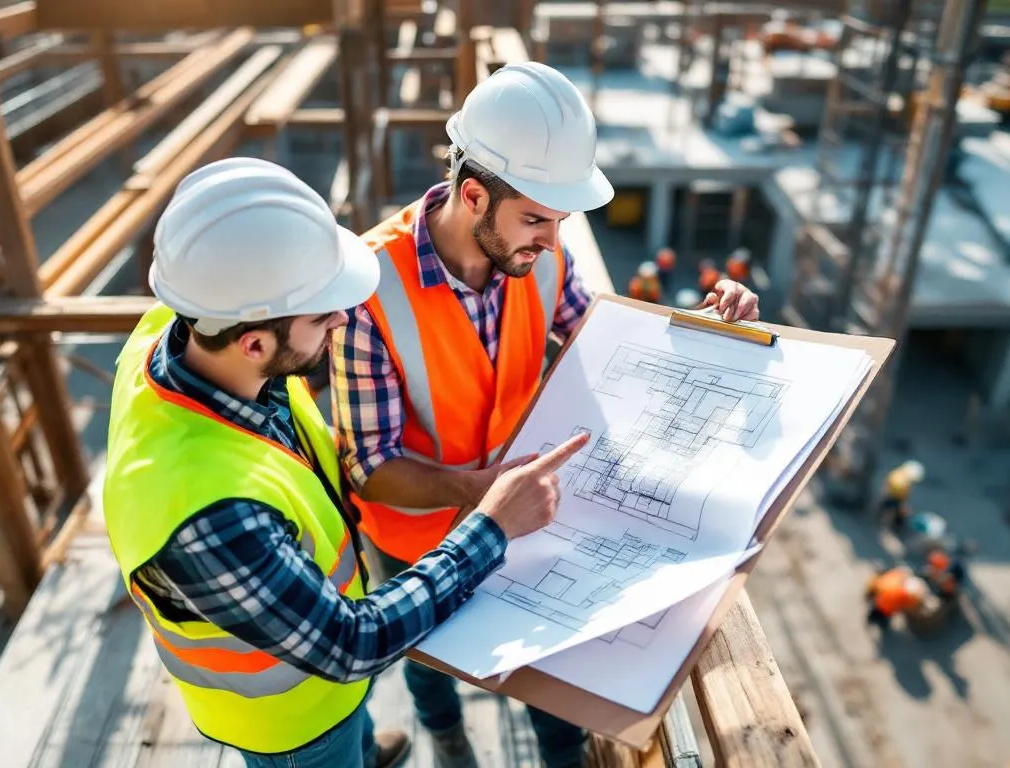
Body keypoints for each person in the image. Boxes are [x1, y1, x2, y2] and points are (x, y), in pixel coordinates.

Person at [328, 61, 760, 768]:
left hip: (529, 516)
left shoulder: (541, 257)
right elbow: (370, 468)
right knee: (429, 658)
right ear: (473, 195)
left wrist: (707, 326)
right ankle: (444, 735)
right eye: (535, 219)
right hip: (417, 537)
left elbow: (608, 338)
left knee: (547, 674)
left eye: (561, 221)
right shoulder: (369, 291)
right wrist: (479, 492)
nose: (554, 242)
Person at [101, 157, 590, 768]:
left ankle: (362, 748)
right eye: (320, 315)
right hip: (291, 723)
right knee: (336, 746)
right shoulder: (210, 516)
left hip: (333, 685)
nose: (341, 319)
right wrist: (489, 527)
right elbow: (351, 643)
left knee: (354, 735)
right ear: (255, 341)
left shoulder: (183, 337)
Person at [865, 565, 929, 630]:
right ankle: (878, 620)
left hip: (878, 591)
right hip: (885, 607)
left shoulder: (897, 576)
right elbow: (908, 608)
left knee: (876, 610)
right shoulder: (905, 595)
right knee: (881, 614)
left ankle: (872, 616)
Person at [878, 459, 925, 531]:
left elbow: (887, 484)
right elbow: (901, 496)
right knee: (897, 511)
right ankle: (896, 524)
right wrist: (902, 505)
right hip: (894, 497)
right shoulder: (902, 483)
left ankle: (882, 516)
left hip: (890, 494)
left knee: (885, 506)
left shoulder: (897, 474)